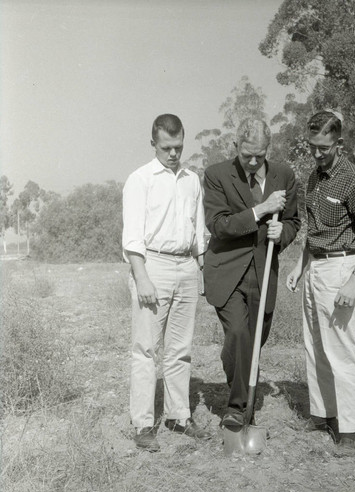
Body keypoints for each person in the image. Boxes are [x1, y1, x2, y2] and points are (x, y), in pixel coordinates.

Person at [286, 110, 355, 456]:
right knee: (315, 346)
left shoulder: (354, 178)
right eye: (312, 146)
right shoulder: (314, 177)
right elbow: (312, 230)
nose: (317, 153)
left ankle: (350, 432)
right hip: (315, 269)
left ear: (339, 143)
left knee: (342, 350)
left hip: (342, 270)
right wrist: (300, 266)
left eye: (324, 148)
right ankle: (323, 414)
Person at [203, 118, 300, 427]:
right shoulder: (217, 175)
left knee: (253, 342)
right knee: (238, 334)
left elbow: (294, 222)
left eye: (260, 154)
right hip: (227, 272)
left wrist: (281, 232)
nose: (254, 161)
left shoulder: (284, 175)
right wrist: (261, 210)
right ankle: (236, 409)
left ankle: (236, 374)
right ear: (236, 147)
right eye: (247, 155)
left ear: (268, 148)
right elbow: (218, 224)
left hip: (263, 273)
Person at [122, 113, 211, 452]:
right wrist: (141, 276)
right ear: (153, 144)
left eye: (178, 147)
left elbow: (198, 228)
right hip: (152, 265)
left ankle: (178, 415)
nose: (173, 154)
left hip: (186, 265)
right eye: (166, 148)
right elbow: (132, 237)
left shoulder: (192, 179)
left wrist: (201, 269)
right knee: (146, 350)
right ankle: (144, 424)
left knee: (180, 349)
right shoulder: (140, 179)